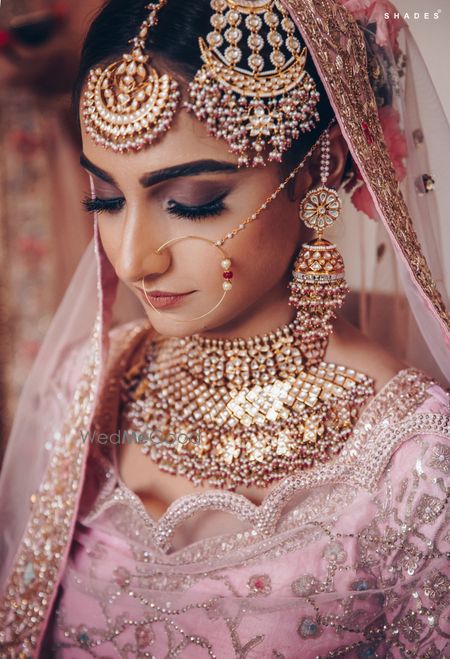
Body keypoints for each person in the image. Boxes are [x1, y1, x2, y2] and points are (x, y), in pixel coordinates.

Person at [0, 0, 449, 656]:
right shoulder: (87, 383)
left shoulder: (416, 460)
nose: (133, 258)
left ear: (315, 168)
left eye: (192, 203)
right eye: (107, 199)